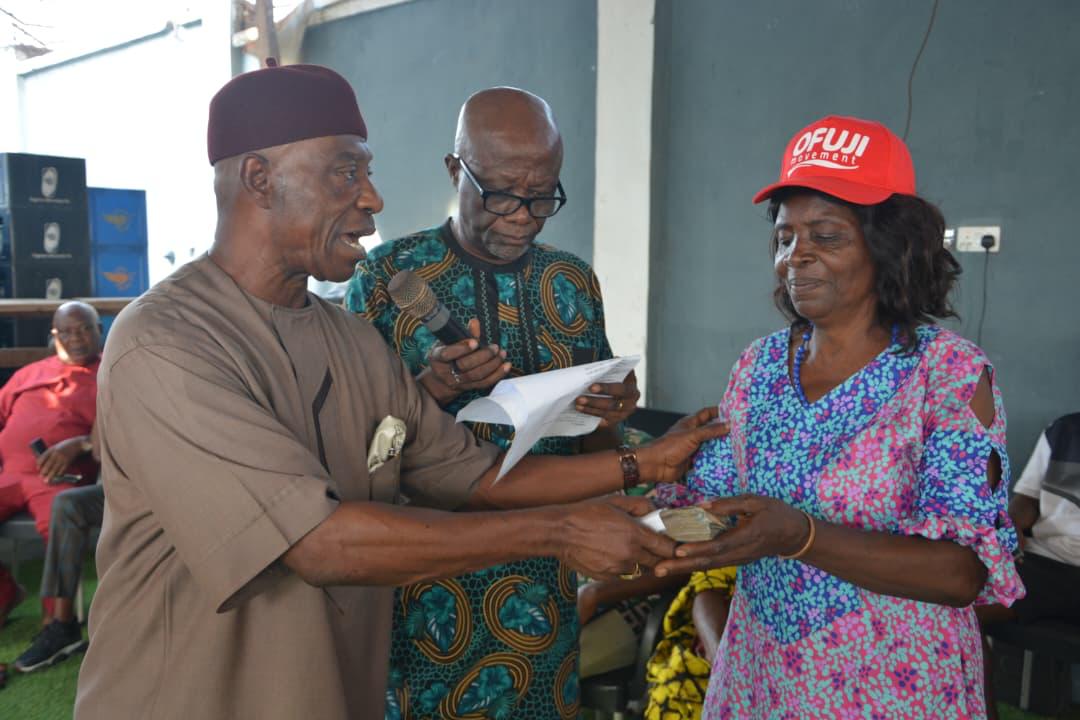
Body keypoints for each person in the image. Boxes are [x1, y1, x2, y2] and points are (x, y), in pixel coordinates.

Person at [73, 63, 721, 720]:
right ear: (260, 179)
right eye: (346, 172)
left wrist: (644, 466)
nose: (373, 198)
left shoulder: (353, 343)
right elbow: (318, 542)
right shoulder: (166, 341)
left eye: (368, 172)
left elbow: (474, 475)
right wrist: (559, 531)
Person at [648, 115, 1024, 718]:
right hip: (760, 684)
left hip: (892, 690)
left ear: (889, 246)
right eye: (785, 237)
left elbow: (961, 573)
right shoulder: (760, 365)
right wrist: (644, 494)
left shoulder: (947, 373)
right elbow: (709, 506)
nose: (796, 257)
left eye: (825, 236)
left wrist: (801, 536)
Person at [346, 86, 640, 719]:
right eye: (503, 193)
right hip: (423, 601)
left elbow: (597, 448)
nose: (524, 216)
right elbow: (357, 458)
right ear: (455, 170)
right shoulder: (386, 280)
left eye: (544, 196)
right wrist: (431, 390)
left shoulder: (572, 280)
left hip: (545, 594)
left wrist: (610, 414)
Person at [0, 301, 101, 628]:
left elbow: (120, 431)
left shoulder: (110, 375)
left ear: (99, 331)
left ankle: (55, 621)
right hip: (10, 475)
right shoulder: (28, 374)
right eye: (67, 332)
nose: (77, 338)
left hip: (59, 478)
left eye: (85, 329)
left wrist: (80, 443)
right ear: (54, 335)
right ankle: (5, 594)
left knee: (61, 519)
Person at [977, 412, 1080, 716]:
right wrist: (1009, 528)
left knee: (960, 611)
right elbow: (1027, 501)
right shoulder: (1064, 430)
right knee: (951, 596)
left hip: (1069, 573)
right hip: (1040, 559)